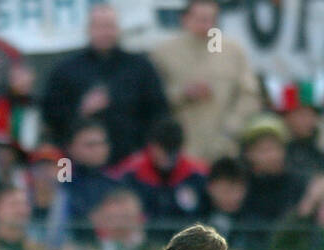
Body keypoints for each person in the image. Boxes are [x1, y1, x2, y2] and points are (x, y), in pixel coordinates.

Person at [40, 3, 168, 164]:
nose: (105, 32)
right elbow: (51, 115)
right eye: (99, 26)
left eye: (110, 26)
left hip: (131, 161)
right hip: (81, 166)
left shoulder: (140, 67)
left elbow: (159, 112)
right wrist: (81, 110)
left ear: (118, 29)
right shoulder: (66, 70)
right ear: (88, 29)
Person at [149, 0, 261, 164]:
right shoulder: (164, 52)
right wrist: (181, 94)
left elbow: (249, 94)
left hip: (224, 146)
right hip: (180, 148)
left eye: (212, 19)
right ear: (185, 19)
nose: (207, 25)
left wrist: (232, 128)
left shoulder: (231, 50)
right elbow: (151, 96)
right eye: (201, 19)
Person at [110, 117, 208, 224]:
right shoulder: (130, 173)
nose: (168, 156)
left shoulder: (197, 174)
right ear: (151, 146)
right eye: (163, 149)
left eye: (172, 150)